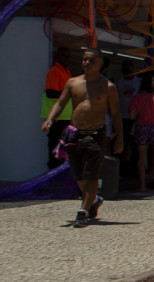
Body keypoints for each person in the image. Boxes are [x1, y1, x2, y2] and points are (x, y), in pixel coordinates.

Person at [42, 48, 123, 227]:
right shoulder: (72, 83)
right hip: (74, 134)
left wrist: (119, 139)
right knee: (78, 174)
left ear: (100, 63)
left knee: (91, 173)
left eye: (91, 60)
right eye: (85, 60)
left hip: (96, 135)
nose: (86, 63)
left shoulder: (108, 87)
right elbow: (61, 102)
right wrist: (50, 120)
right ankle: (93, 200)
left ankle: (83, 210)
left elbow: (116, 114)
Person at [130, 73, 154, 193]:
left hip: (141, 127)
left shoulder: (136, 98)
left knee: (142, 158)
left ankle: (142, 185)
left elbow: (132, 116)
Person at [42, 46, 73, 169]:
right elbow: (51, 93)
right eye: (63, 55)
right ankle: (52, 183)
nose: (66, 58)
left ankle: (59, 181)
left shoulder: (66, 72)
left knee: (63, 152)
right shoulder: (54, 71)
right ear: (58, 56)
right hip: (57, 119)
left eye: (68, 56)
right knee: (55, 153)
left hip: (66, 119)